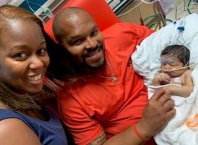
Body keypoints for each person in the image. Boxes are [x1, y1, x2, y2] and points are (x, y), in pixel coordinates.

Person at [47, 7, 176, 145]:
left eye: (93, 32)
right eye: (78, 41)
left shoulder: (122, 34)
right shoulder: (71, 101)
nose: (92, 44)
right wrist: (144, 127)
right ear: (62, 50)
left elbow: (169, 45)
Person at [0, 5, 68, 145]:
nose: (38, 63)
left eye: (41, 50)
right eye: (20, 55)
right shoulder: (2, 130)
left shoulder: (22, 94)